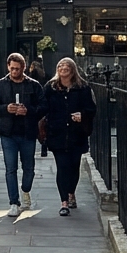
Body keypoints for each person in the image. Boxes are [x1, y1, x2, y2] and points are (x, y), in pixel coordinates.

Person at [0, 52, 45, 217]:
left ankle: (25, 190)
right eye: (12, 69)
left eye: (17, 69)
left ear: (23, 68)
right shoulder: (0, 85)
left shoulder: (33, 85)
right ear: (8, 67)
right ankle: (14, 202)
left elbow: (43, 107)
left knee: (29, 169)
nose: (14, 72)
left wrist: (28, 111)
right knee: (10, 169)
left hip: (28, 133)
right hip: (8, 133)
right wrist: (6, 109)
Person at [43, 58, 97, 216]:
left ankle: (71, 192)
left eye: (66, 68)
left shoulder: (83, 88)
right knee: (62, 167)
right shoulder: (50, 88)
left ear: (73, 70)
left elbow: (92, 109)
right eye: (60, 67)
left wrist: (83, 115)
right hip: (57, 134)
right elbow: (43, 107)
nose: (63, 69)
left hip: (76, 134)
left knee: (74, 167)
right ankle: (64, 202)